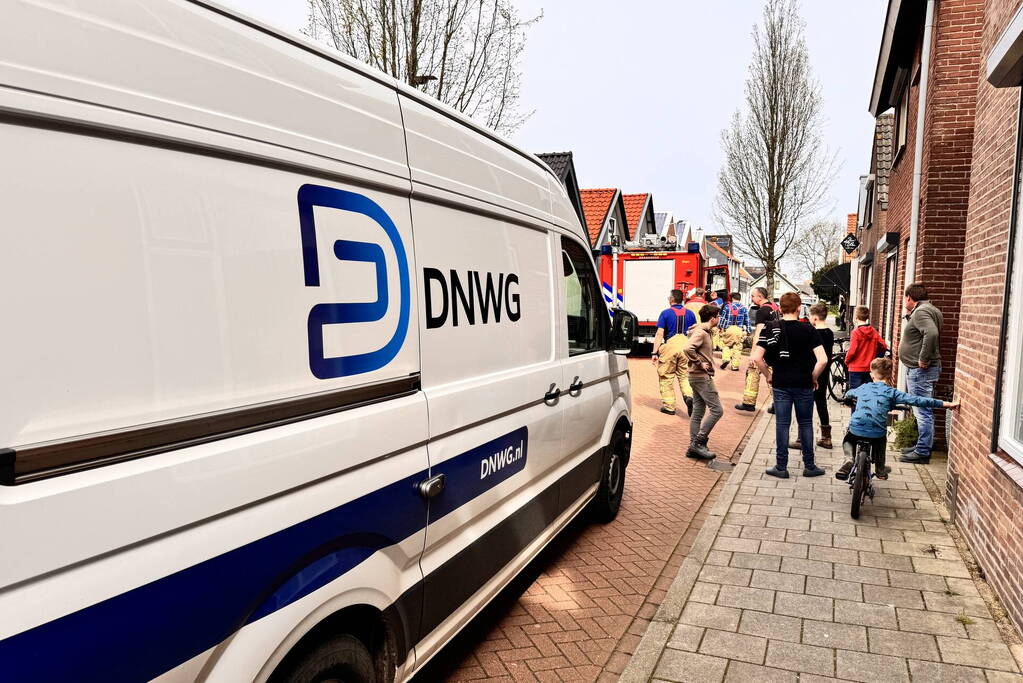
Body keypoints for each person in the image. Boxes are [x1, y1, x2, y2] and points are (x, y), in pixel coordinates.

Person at [835, 357, 959, 480]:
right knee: (880, 440)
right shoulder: (892, 392)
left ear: (871, 374)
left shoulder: (863, 387)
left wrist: (847, 399)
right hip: (876, 432)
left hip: (857, 427)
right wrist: (946, 404)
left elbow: (850, 393)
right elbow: (917, 400)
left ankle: (848, 459)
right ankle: (880, 469)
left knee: (849, 438)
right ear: (889, 376)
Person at [751, 292, 828, 478]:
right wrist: (813, 377)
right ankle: (809, 466)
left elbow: (756, 357)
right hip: (803, 384)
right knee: (806, 424)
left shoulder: (771, 328)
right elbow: (823, 360)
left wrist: (769, 375)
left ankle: (781, 466)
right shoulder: (809, 330)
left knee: (782, 424)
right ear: (799, 308)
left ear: (781, 308)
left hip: (781, 383)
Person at [899, 283, 944, 464]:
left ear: (910, 297)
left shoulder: (921, 311)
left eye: (905, 298)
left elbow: (931, 333)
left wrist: (923, 358)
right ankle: (921, 445)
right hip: (923, 371)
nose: (904, 301)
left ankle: (923, 451)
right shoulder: (932, 310)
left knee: (922, 411)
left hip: (921, 371)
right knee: (924, 410)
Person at [790, 302, 835, 449]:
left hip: (811, 372)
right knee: (821, 403)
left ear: (815, 318)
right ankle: (826, 437)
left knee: (805, 405)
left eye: (810, 316)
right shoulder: (830, 333)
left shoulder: (812, 332)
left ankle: (801, 439)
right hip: (824, 371)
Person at [684, 305, 724, 460]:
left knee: (698, 412)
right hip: (701, 376)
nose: (719, 319)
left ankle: (694, 446)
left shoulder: (701, 330)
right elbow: (688, 348)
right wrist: (700, 363)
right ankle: (698, 442)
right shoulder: (701, 332)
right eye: (718, 316)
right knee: (717, 410)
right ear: (713, 318)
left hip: (695, 376)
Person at [652, 289, 698, 416]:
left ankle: (669, 407)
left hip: (670, 346)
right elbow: (694, 332)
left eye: (668, 298)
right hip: (686, 346)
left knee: (666, 377)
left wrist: (654, 353)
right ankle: (689, 396)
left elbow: (659, 333)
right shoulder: (690, 314)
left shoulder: (665, 313)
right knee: (684, 376)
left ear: (672, 299)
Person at [736, 287, 779, 412]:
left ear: (760, 297)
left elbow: (759, 332)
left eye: (753, 296)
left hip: (763, 347)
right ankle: (778, 403)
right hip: (774, 346)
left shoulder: (762, 311)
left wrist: (753, 353)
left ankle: (748, 403)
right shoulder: (774, 307)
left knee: (753, 371)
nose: (752, 298)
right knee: (771, 373)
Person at [845, 306, 887, 391]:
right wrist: (876, 358)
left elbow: (852, 351)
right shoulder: (873, 331)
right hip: (869, 369)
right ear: (867, 317)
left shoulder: (856, 333)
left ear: (856, 318)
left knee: (855, 395)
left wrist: (847, 360)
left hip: (855, 368)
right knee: (867, 394)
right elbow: (883, 346)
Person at [718, 292, 750, 371]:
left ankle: (726, 358)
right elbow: (747, 320)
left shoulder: (727, 307)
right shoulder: (744, 308)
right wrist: (749, 330)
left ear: (732, 298)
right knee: (737, 348)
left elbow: (722, 318)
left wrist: (720, 327)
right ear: (740, 299)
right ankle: (735, 366)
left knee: (726, 345)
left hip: (729, 329)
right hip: (739, 330)